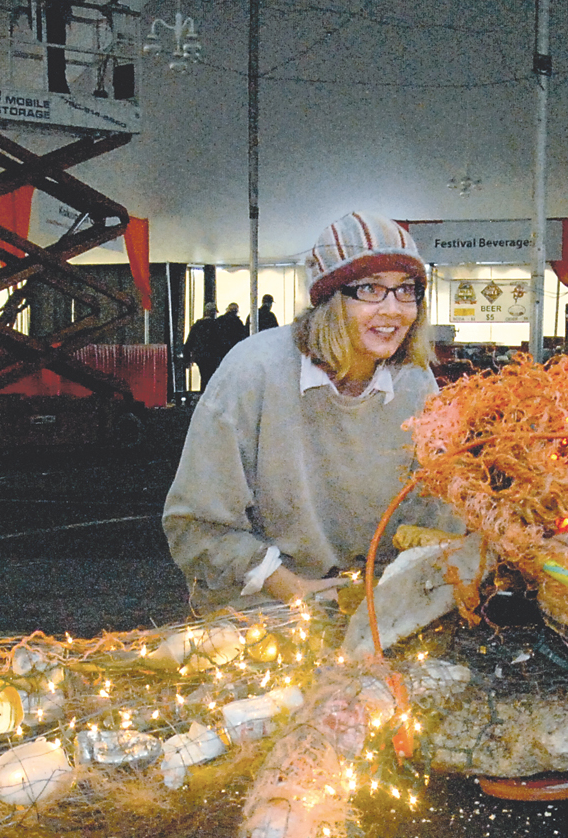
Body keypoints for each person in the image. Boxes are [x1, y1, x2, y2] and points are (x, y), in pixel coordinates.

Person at [164, 213, 461, 609]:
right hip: (265, 605)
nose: (394, 309)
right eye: (371, 289)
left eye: (407, 290)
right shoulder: (253, 371)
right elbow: (194, 524)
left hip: (372, 599)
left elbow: (433, 509)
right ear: (329, 299)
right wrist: (289, 588)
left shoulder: (414, 380)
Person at [183, 302, 227, 388]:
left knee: (204, 376)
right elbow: (222, 343)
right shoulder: (217, 326)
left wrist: (187, 359)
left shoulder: (197, 326)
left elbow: (189, 343)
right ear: (213, 312)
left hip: (201, 356)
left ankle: (203, 393)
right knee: (212, 377)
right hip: (214, 356)